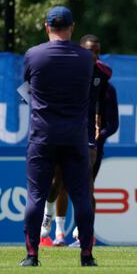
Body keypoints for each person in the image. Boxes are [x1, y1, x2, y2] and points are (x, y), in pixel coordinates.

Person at [21, 5, 96, 266]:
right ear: (72, 27)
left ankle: (32, 255)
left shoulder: (34, 55)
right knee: (82, 197)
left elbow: (26, 89)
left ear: (46, 27)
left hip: (42, 136)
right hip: (75, 137)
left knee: (36, 197)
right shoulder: (86, 58)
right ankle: (86, 256)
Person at [39, 34, 116, 248]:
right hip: (60, 129)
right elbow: (27, 90)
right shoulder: (63, 67)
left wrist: (100, 120)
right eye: (90, 50)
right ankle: (48, 211)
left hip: (86, 133)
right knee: (57, 182)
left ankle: (83, 229)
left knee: (86, 179)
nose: (94, 55)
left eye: (97, 51)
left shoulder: (102, 73)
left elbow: (101, 93)